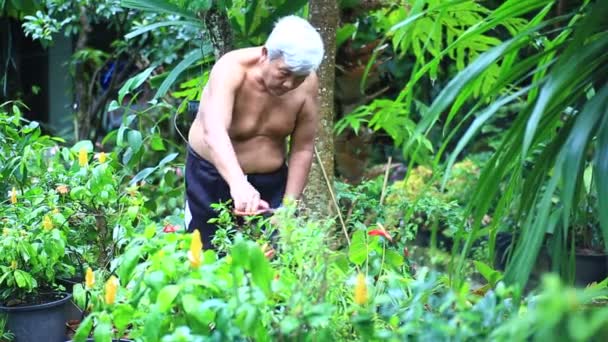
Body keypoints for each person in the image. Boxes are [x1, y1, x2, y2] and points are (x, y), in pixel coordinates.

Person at [185, 15, 324, 249]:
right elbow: (214, 132)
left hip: (270, 184)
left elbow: (303, 147)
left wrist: (288, 207)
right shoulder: (231, 70)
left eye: (298, 78)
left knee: (269, 266)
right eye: (284, 73)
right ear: (265, 54)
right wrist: (238, 184)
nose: (289, 84)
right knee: (205, 259)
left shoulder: (308, 83)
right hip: (211, 177)